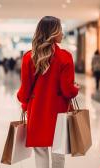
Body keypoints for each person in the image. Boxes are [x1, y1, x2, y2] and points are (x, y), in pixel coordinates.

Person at [17, 16, 79, 168]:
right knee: (58, 155)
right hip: (59, 113)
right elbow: (67, 91)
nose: (62, 34)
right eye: (60, 30)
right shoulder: (65, 57)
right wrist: (76, 88)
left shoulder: (28, 57)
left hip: (37, 112)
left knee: (40, 153)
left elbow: (24, 92)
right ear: (52, 32)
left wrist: (22, 100)